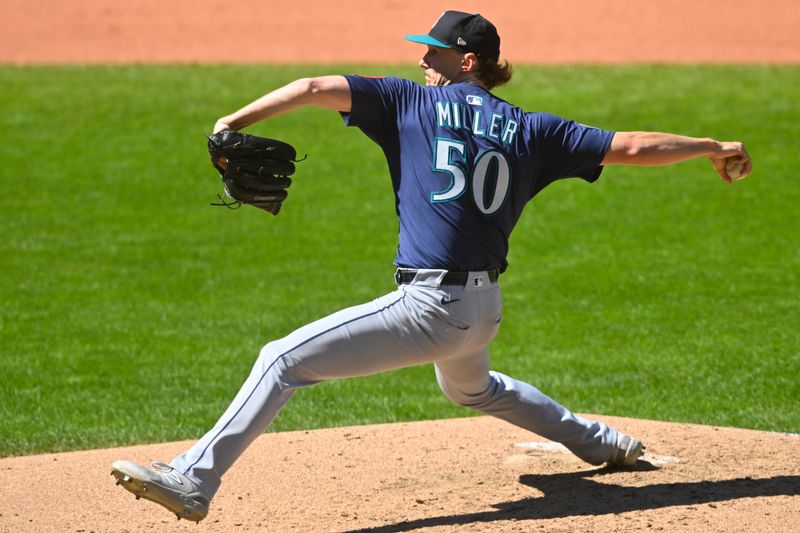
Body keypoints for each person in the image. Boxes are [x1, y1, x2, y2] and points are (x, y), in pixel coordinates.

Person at [111, 10, 752, 522]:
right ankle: (599, 441)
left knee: (281, 360)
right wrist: (711, 148)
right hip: (481, 313)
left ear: (466, 61)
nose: (421, 60)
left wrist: (232, 119)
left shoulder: (406, 103)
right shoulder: (534, 128)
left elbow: (312, 88)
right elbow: (635, 146)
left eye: (434, 52)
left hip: (430, 308)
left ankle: (193, 480)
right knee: (472, 389)